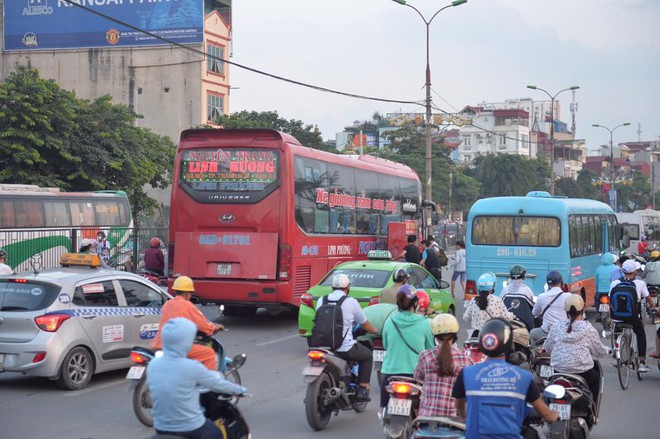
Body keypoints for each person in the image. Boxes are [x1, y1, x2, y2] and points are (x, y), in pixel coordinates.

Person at [452, 318, 558, 438]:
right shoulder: (524, 378)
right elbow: (545, 413)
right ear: (509, 345)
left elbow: (459, 408)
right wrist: (556, 415)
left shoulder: (466, 374)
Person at [147, 317, 247, 439]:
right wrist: (239, 390)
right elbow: (217, 384)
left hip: (161, 428)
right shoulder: (191, 367)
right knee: (216, 434)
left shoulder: (153, 364)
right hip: (190, 428)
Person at [317, 273, 378, 402]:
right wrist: (374, 330)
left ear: (332, 287)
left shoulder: (321, 300)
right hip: (344, 347)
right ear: (347, 287)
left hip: (322, 346)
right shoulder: (351, 301)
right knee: (367, 356)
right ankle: (362, 389)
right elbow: (363, 322)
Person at [543, 295, 609, 405]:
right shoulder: (588, 329)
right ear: (582, 310)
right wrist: (607, 351)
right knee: (597, 379)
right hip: (582, 372)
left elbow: (548, 347)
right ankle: (592, 409)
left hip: (558, 370)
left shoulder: (557, 326)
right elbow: (599, 351)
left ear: (566, 310)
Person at [380, 285, 434, 417]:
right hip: (415, 376)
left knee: (384, 410)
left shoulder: (389, 322)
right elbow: (430, 349)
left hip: (390, 374)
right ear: (416, 303)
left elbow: (386, 345)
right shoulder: (425, 323)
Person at [151, 276, 223, 371]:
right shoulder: (187, 305)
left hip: (159, 345)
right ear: (186, 293)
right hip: (177, 346)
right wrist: (213, 327)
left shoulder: (168, 304)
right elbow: (204, 326)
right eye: (191, 293)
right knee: (208, 353)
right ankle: (208, 383)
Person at [414, 314, 472, 418]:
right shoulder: (465, 359)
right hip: (454, 420)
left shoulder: (425, 356)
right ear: (455, 335)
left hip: (427, 418)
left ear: (435, 336)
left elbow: (418, 377)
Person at [609, 259, 655, 372]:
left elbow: (610, 300)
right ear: (634, 272)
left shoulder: (614, 283)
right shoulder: (639, 283)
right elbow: (648, 298)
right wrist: (653, 306)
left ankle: (617, 349)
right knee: (640, 334)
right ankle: (642, 363)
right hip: (633, 318)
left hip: (617, 317)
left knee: (617, 329)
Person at [463, 272, 515, 336]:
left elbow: (466, 317)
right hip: (493, 335)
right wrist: (513, 316)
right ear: (492, 287)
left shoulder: (474, 301)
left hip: (477, 335)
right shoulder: (497, 300)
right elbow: (507, 317)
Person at [530, 271, 572, 347]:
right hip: (563, 332)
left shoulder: (541, 296)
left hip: (546, 332)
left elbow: (534, 313)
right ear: (561, 283)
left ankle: (535, 355)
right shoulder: (568, 296)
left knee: (532, 333)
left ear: (548, 284)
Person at [500, 264, 535, 331]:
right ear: (524, 277)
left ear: (510, 276)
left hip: (507, 323)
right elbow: (534, 306)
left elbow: (500, 304)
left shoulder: (505, 290)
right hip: (524, 324)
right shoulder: (526, 290)